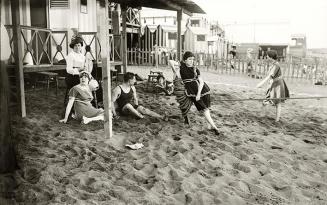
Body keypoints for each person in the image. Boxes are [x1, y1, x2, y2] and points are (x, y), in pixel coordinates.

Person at [178, 51, 220, 135]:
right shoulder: (181, 68)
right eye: (189, 59)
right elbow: (171, 62)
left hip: (203, 90)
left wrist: (198, 94)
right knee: (204, 109)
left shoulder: (195, 69)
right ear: (185, 60)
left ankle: (209, 125)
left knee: (206, 108)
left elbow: (201, 82)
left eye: (193, 59)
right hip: (191, 92)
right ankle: (214, 127)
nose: (191, 61)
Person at [256, 50, 289, 122]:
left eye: (267, 56)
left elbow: (269, 76)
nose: (266, 57)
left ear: (271, 57)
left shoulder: (276, 65)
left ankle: (276, 121)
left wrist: (260, 84)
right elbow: (270, 78)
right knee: (266, 101)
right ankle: (262, 116)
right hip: (273, 84)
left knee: (278, 103)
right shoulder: (273, 64)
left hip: (278, 85)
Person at [169, 60, 193, 125]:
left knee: (183, 104)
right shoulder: (178, 71)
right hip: (179, 91)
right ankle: (186, 119)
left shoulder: (179, 72)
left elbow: (171, 61)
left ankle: (186, 119)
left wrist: (177, 64)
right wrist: (177, 64)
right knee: (183, 104)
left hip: (181, 91)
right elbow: (170, 61)